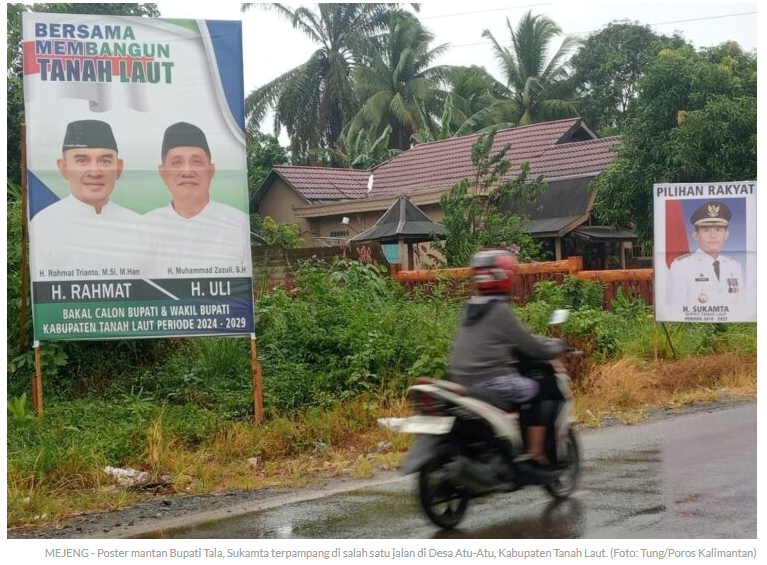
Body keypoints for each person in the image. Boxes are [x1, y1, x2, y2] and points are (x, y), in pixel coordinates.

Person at [448, 249, 567, 470]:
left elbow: (501, 340)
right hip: (491, 381)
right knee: (540, 388)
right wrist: (559, 345)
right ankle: (535, 451)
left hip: (462, 381)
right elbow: (531, 345)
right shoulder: (499, 310)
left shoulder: (471, 308)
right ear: (505, 277)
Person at [29, 119, 149, 278]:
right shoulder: (44, 224)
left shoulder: (140, 226)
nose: (94, 171)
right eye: (81, 160)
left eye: (105, 160)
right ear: (63, 168)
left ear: (119, 168)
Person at [146, 122, 251, 276]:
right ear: (162, 173)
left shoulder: (238, 223)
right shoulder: (145, 227)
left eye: (196, 162)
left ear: (211, 170)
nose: (187, 171)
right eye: (176, 162)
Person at [668, 201, 743, 305]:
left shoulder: (734, 266)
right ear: (696, 235)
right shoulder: (681, 267)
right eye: (706, 230)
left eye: (718, 229)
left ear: (726, 234)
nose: (713, 235)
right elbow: (676, 309)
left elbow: (740, 304)